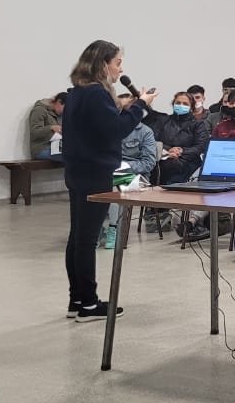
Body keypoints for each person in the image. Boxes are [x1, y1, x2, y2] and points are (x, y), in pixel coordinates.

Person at [62, 40, 154, 322]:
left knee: (78, 237)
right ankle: (89, 304)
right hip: (94, 173)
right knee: (87, 239)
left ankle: (77, 299)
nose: (120, 69)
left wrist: (124, 107)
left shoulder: (78, 92)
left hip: (78, 171)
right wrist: (140, 106)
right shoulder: (96, 94)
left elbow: (99, 127)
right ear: (103, 64)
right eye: (117, 63)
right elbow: (116, 130)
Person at [153, 92, 212, 241]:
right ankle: (157, 212)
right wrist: (169, 150)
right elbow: (155, 141)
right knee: (159, 169)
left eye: (185, 104)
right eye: (178, 103)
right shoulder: (164, 121)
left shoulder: (198, 124)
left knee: (178, 170)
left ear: (191, 107)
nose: (180, 106)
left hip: (188, 162)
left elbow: (201, 146)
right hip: (165, 159)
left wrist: (181, 151)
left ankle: (188, 220)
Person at [105, 93, 158, 249]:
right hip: (111, 174)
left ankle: (114, 228)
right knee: (94, 185)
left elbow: (148, 163)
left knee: (114, 187)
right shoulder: (111, 129)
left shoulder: (145, 132)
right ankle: (98, 228)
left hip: (139, 180)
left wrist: (122, 166)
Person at [29, 92, 67, 161]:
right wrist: (51, 128)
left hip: (57, 147)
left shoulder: (59, 114)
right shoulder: (39, 110)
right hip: (42, 148)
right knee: (71, 156)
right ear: (59, 102)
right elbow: (34, 132)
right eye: (65, 108)